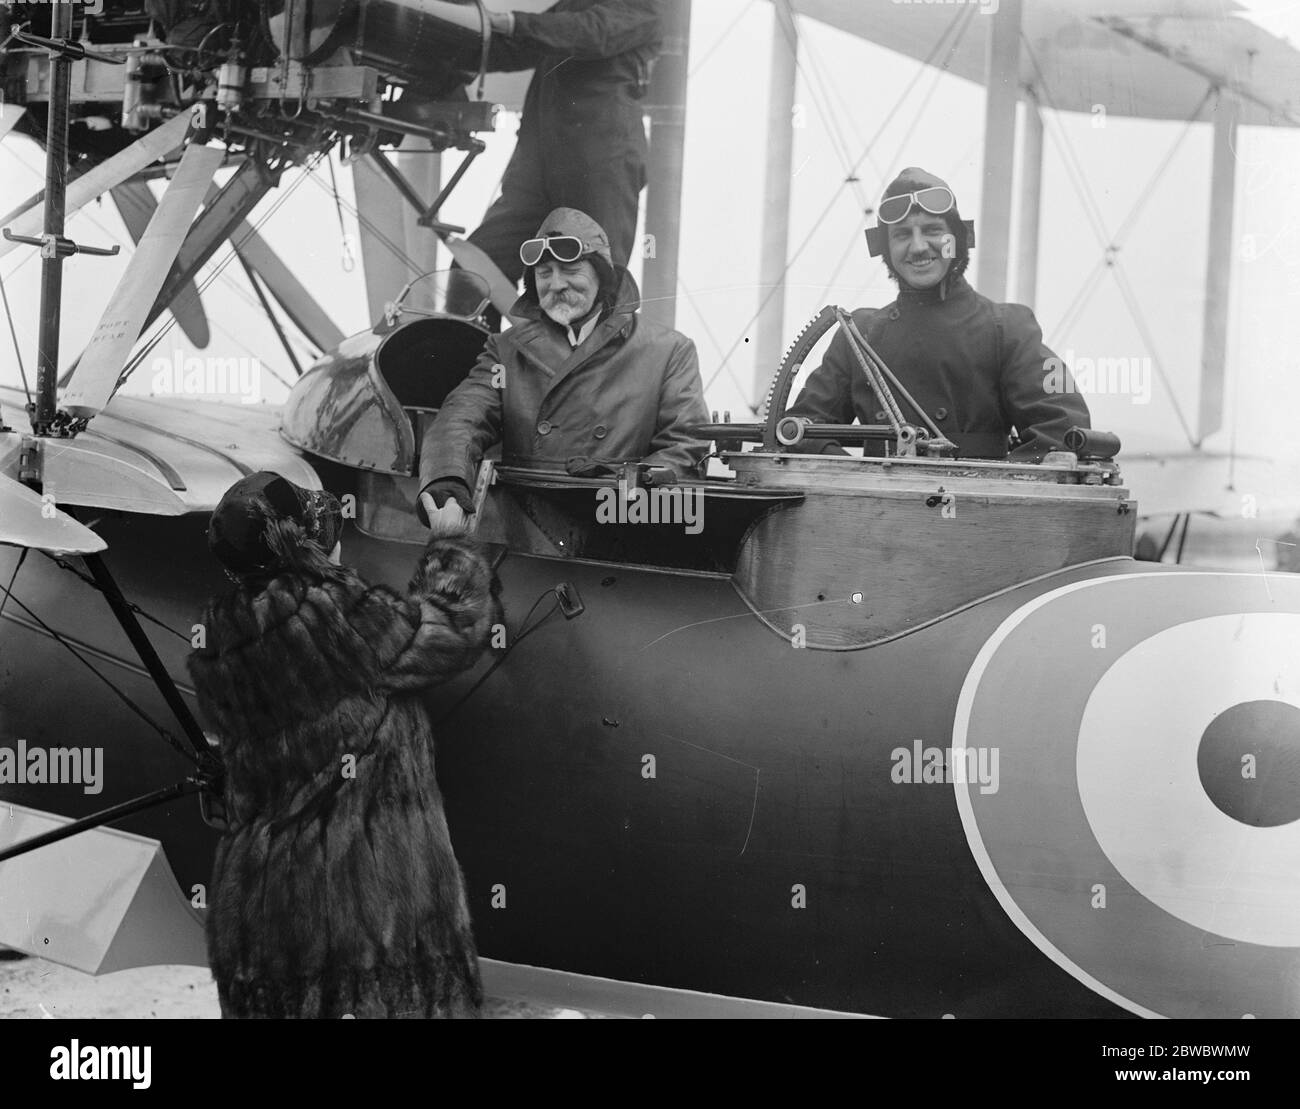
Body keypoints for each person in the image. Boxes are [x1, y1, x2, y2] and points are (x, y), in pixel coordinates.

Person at [188, 471, 498, 1018]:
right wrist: (451, 543)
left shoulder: (222, 639)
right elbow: (452, 632)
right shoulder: (335, 616)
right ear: (302, 546)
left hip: (266, 914)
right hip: (364, 913)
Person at [416, 206, 710, 533]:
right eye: (544, 273)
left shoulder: (668, 351)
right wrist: (448, 483)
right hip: (528, 536)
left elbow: (685, 447)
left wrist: (622, 502)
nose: (556, 284)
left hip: (619, 533)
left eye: (570, 269)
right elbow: (462, 417)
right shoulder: (506, 350)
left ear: (602, 274)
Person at [784, 167, 1090, 461]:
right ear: (886, 249)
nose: (918, 247)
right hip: (874, 509)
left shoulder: (1010, 328)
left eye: (932, 230)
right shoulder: (859, 334)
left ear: (957, 239)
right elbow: (801, 429)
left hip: (978, 510)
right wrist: (856, 475)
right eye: (902, 235)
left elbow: (1062, 429)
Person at [424, 0, 665, 285]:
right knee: (475, 269)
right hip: (538, 174)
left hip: (600, 169)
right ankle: (471, 330)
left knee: (593, 281)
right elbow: (518, 47)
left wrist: (512, 22)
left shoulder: (640, 9)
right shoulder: (571, 8)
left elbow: (588, 33)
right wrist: (442, 46)